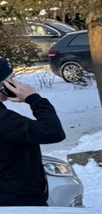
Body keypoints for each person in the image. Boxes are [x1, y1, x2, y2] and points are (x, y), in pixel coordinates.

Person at [0, 58, 65, 206]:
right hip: (19, 204)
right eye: (12, 79)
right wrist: (34, 99)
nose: (18, 83)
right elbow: (52, 131)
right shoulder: (4, 121)